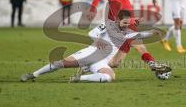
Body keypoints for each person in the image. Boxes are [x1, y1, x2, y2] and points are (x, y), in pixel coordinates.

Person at [20, 10, 169, 83]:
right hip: (91, 53)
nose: (126, 24)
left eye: (128, 22)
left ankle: (80, 78)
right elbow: (92, 33)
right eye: (124, 22)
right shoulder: (108, 25)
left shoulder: (127, 33)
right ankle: (33, 75)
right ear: (117, 20)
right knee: (61, 63)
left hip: (101, 62)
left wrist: (153, 32)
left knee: (110, 76)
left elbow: (140, 36)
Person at [88, 0, 160, 70]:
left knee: (115, 63)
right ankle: (152, 64)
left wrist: (133, 19)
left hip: (128, 24)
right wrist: (92, 10)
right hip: (123, 26)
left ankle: (90, 67)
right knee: (140, 46)